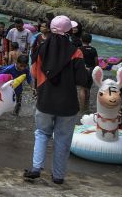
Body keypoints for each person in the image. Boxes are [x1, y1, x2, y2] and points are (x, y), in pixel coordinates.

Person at [23, 15, 89, 184]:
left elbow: (33, 73)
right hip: (68, 104)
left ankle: (36, 168)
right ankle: (58, 176)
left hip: (45, 101)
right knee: (63, 139)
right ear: (68, 31)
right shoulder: (76, 52)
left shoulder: (40, 49)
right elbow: (82, 80)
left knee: (41, 133)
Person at [78, 33, 98, 112]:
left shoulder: (79, 49)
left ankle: (82, 107)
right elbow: (96, 61)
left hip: (83, 70)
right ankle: (87, 105)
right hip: (92, 70)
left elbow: (78, 61)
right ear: (90, 40)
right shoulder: (93, 49)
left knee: (82, 89)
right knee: (88, 89)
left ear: (81, 40)